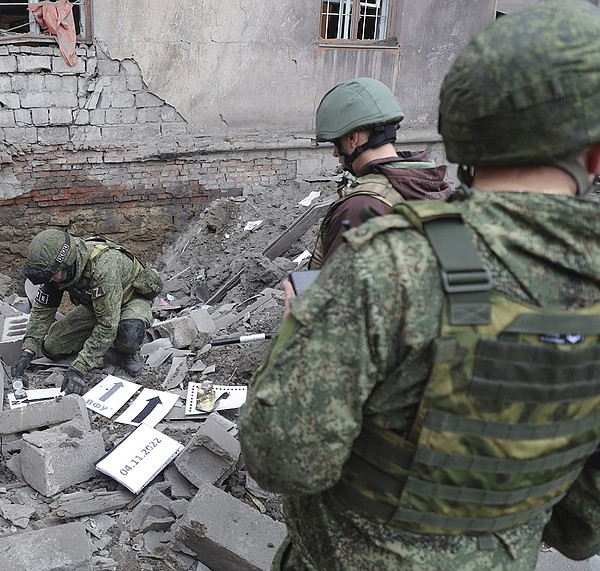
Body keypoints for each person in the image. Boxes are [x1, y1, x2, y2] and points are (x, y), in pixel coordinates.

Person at [239, 1, 600, 569]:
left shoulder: (393, 265)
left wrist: (296, 328)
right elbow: (582, 529)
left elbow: (282, 457)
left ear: (465, 131)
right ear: (595, 154)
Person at [308, 76, 452, 270]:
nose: (335, 153)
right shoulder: (428, 184)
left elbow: (333, 294)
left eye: (336, 143)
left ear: (352, 138)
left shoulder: (361, 207)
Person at [10, 229, 163, 394]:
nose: (50, 280)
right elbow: (42, 311)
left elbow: (106, 326)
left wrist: (79, 367)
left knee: (130, 333)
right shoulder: (55, 271)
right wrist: (28, 351)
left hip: (130, 300)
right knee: (52, 347)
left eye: (53, 275)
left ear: (68, 265)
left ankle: (128, 352)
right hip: (97, 306)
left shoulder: (104, 267)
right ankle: (101, 344)